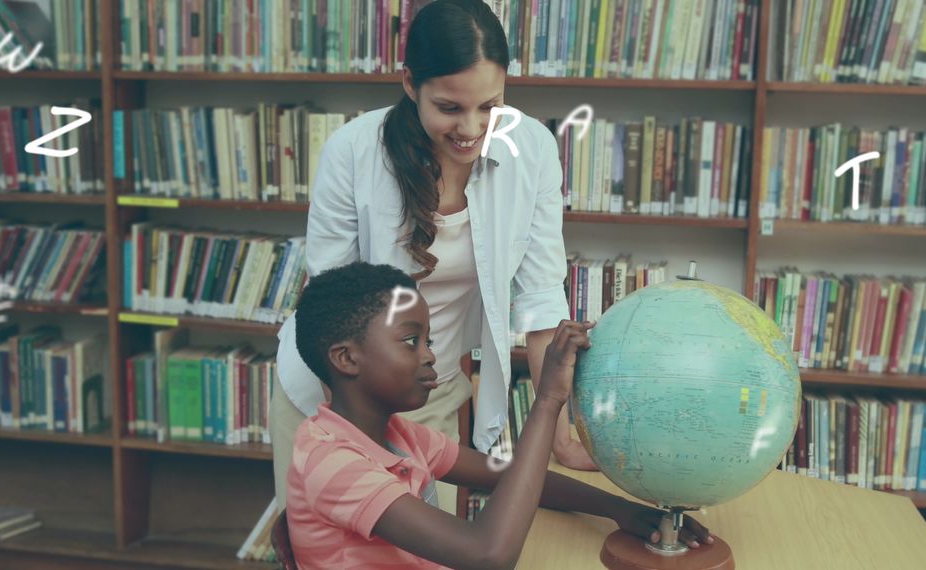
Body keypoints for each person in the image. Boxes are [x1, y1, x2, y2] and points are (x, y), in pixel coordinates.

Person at [273, 0, 597, 515]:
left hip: (431, 389)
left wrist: (560, 437)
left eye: (489, 105)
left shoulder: (531, 149)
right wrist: (353, 435)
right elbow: (334, 303)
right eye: (449, 108)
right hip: (335, 396)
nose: (472, 128)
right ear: (409, 85)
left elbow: (539, 300)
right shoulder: (352, 152)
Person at [285, 262, 712, 569]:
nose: (431, 355)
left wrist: (620, 510)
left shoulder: (400, 435)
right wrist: (547, 401)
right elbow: (487, 554)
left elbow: (510, 475)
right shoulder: (334, 463)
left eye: (429, 339)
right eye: (411, 341)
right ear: (346, 358)